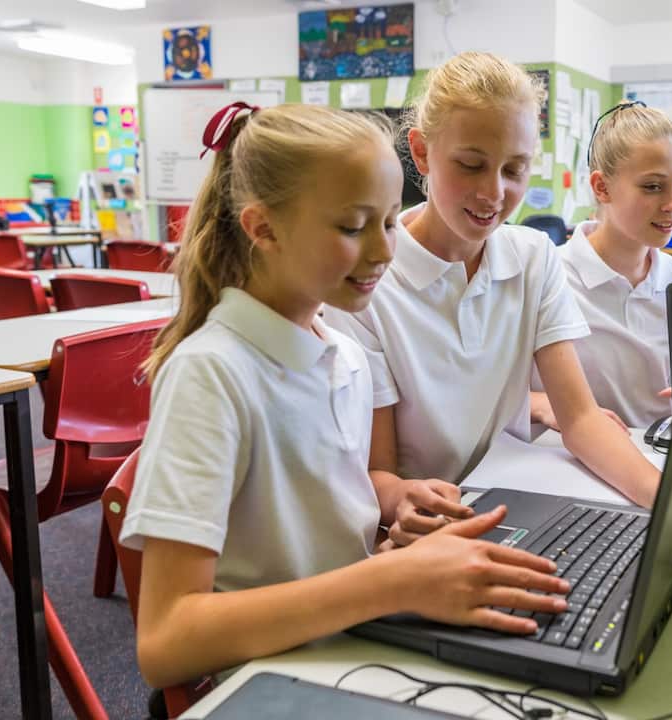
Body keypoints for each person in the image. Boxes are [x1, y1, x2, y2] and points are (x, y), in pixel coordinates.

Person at [119, 102, 570, 689]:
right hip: (274, 682)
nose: (386, 252)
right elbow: (165, 642)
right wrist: (392, 581)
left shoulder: (345, 355)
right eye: (353, 227)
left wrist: (399, 506)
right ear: (263, 228)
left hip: (354, 649)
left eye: (388, 222)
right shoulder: (212, 374)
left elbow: (326, 532)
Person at [323, 52, 672, 554]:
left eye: (515, 168)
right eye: (471, 164)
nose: (493, 191)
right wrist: (402, 501)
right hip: (425, 540)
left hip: (513, 508)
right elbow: (379, 472)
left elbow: (582, 419)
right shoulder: (370, 281)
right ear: (421, 153)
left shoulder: (532, 257)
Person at [529, 101, 672, 430]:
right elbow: (494, 389)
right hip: (564, 464)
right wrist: (540, 403)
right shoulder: (550, 277)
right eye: (653, 186)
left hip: (660, 455)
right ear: (601, 187)